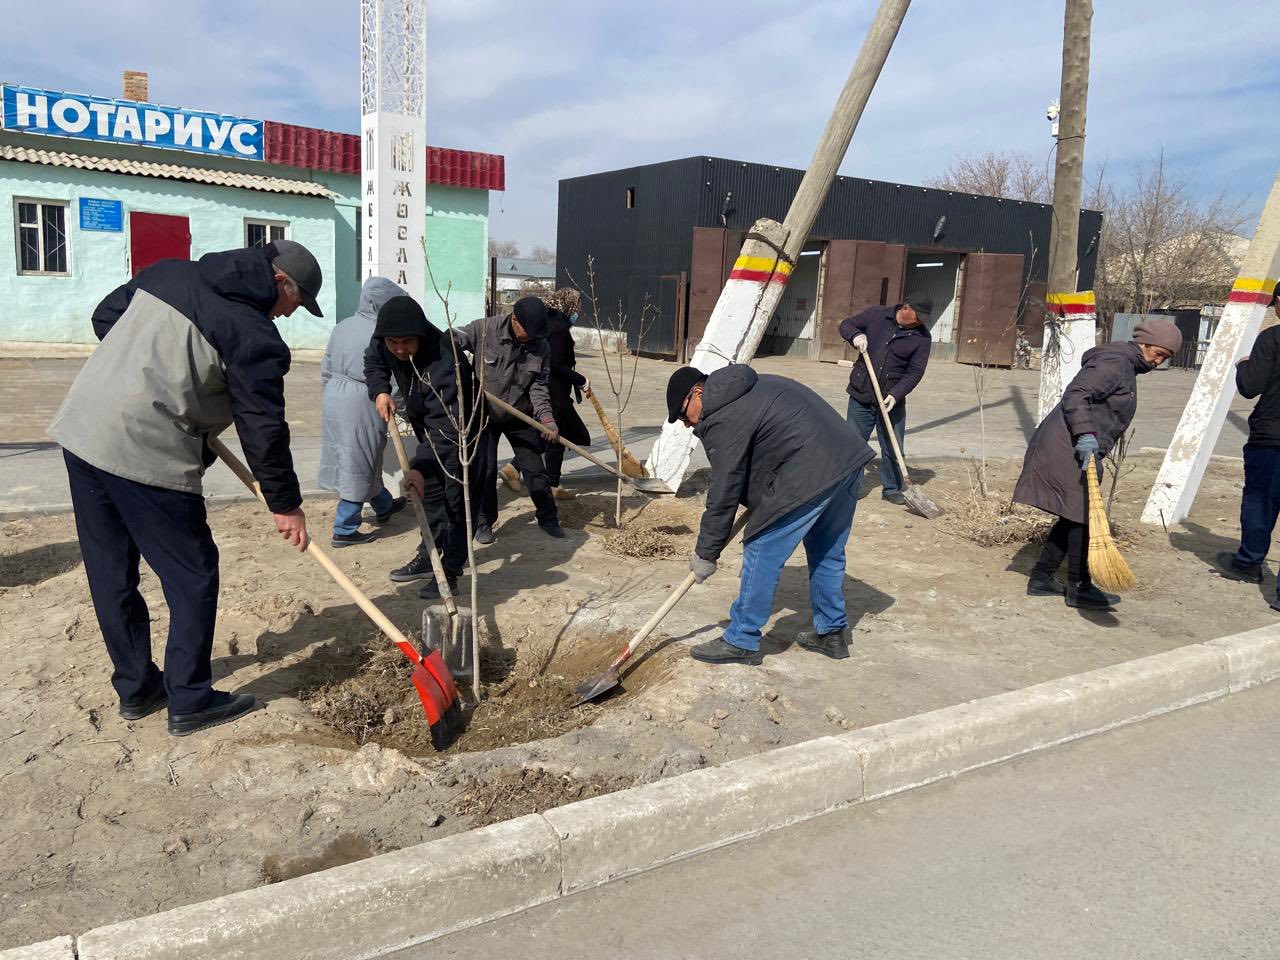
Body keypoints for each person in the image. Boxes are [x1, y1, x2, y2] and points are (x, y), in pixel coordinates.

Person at [48, 239, 322, 736]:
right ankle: (191, 699)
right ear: (280, 281)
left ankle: (137, 688)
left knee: (112, 572)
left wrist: (157, 376)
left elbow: (105, 318)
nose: (289, 316)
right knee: (193, 574)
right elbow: (263, 429)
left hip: (83, 430)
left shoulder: (170, 272)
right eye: (295, 304)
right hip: (145, 448)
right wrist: (286, 505)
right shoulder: (254, 335)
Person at [673, 363, 875, 664]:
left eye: (682, 414)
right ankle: (831, 634)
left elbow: (724, 488)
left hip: (812, 471)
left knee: (760, 547)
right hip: (847, 461)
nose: (686, 424)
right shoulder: (752, 386)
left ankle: (741, 639)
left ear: (697, 393)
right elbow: (764, 455)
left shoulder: (722, 416)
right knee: (827, 551)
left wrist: (706, 553)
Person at [1014, 318, 1182, 610]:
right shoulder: (1116, 362)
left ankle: (1042, 577)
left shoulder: (1126, 365)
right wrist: (1086, 436)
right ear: (1143, 343)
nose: (1158, 361)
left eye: (1165, 358)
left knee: (1073, 514)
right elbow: (1076, 395)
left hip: (1077, 444)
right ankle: (1080, 586)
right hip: (1067, 444)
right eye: (1158, 353)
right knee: (1083, 517)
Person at [365, 296, 476, 600]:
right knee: (431, 501)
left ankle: (450, 572)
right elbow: (373, 360)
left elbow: (447, 430)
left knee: (456, 503)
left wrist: (419, 467)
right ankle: (429, 556)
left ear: (420, 336)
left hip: (462, 432)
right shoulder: (384, 342)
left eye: (406, 342)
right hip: (428, 424)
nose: (399, 349)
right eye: (393, 343)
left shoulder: (444, 362)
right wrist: (380, 390)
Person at [458, 296, 565, 541]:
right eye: (529, 332)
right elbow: (455, 338)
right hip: (484, 413)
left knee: (535, 468)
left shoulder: (541, 346)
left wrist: (547, 420)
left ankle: (548, 517)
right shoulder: (485, 330)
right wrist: (449, 344)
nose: (533, 338)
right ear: (514, 320)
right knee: (484, 470)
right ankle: (484, 522)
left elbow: (539, 386)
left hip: (519, 412)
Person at [317, 277, 408, 547]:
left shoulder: (343, 326)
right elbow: (391, 379)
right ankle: (345, 528)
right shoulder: (381, 332)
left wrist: (331, 393)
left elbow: (326, 365)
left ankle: (383, 505)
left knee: (356, 457)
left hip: (335, 394)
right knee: (360, 460)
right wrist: (405, 408)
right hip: (364, 398)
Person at [1216, 283, 1280, 604]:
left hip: (1272, 439)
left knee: (1260, 501)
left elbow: (1250, 387)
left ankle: (1249, 562)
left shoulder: (1273, 339)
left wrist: (1244, 366)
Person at [839, 293, 933, 504]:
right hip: (861, 394)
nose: (920, 322)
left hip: (891, 401)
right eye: (918, 316)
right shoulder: (877, 316)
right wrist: (855, 335)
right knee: (853, 444)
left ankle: (891, 488)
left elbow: (915, 372)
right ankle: (847, 488)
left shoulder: (922, 338)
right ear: (906, 308)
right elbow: (846, 324)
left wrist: (895, 395)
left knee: (893, 446)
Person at [541, 287, 591, 499]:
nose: (577, 310)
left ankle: (553, 485)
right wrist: (580, 380)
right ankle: (515, 469)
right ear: (568, 305)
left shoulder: (546, 323)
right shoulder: (559, 329)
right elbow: (555, 363)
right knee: (554, 434)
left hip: (547, 388)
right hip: (555, 392)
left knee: (556, 438)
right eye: (577, 306)